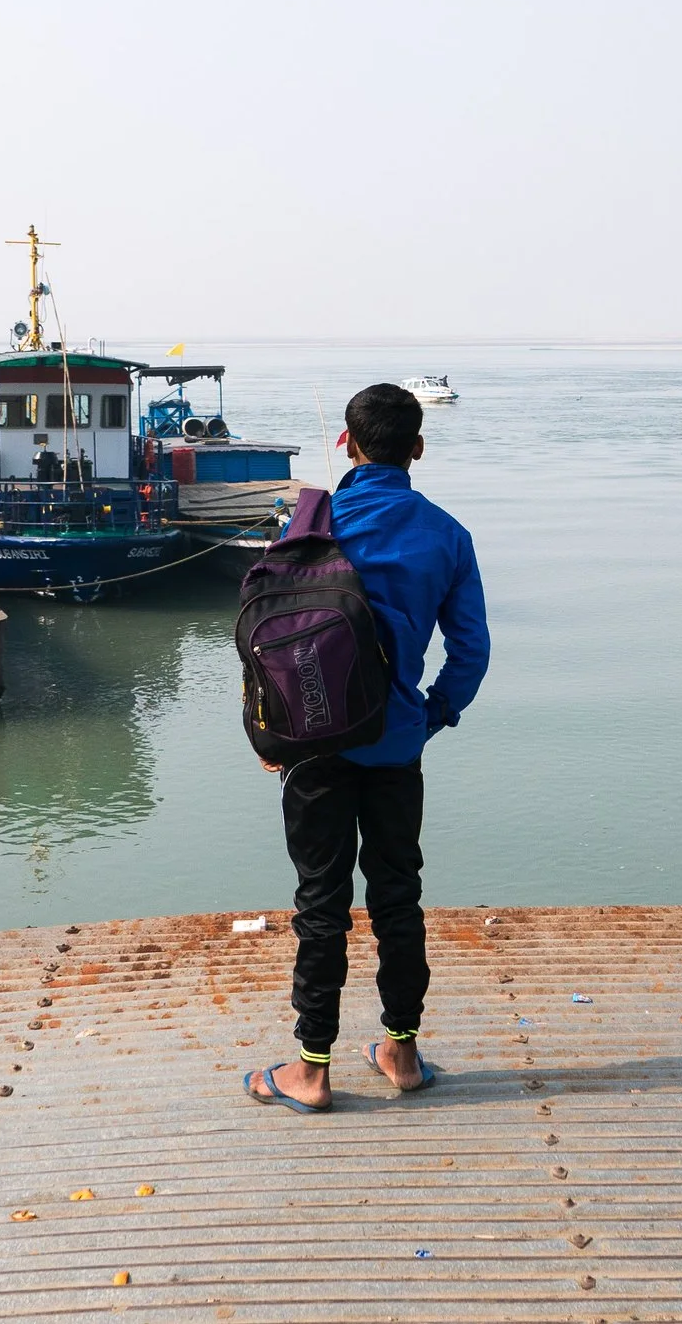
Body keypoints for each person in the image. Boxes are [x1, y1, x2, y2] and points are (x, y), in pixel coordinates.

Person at [243, 382, 489, 1114]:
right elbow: (471, 650)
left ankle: (312, 1068)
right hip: (395, 749)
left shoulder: (308, 521)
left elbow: (262, 637)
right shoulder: (446, 533)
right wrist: (431, 712)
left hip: (312, 746)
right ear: (418, 447)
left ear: (346, 443)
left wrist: (270, 733)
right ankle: (403, 1053)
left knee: (320, 902)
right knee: (398, 896)